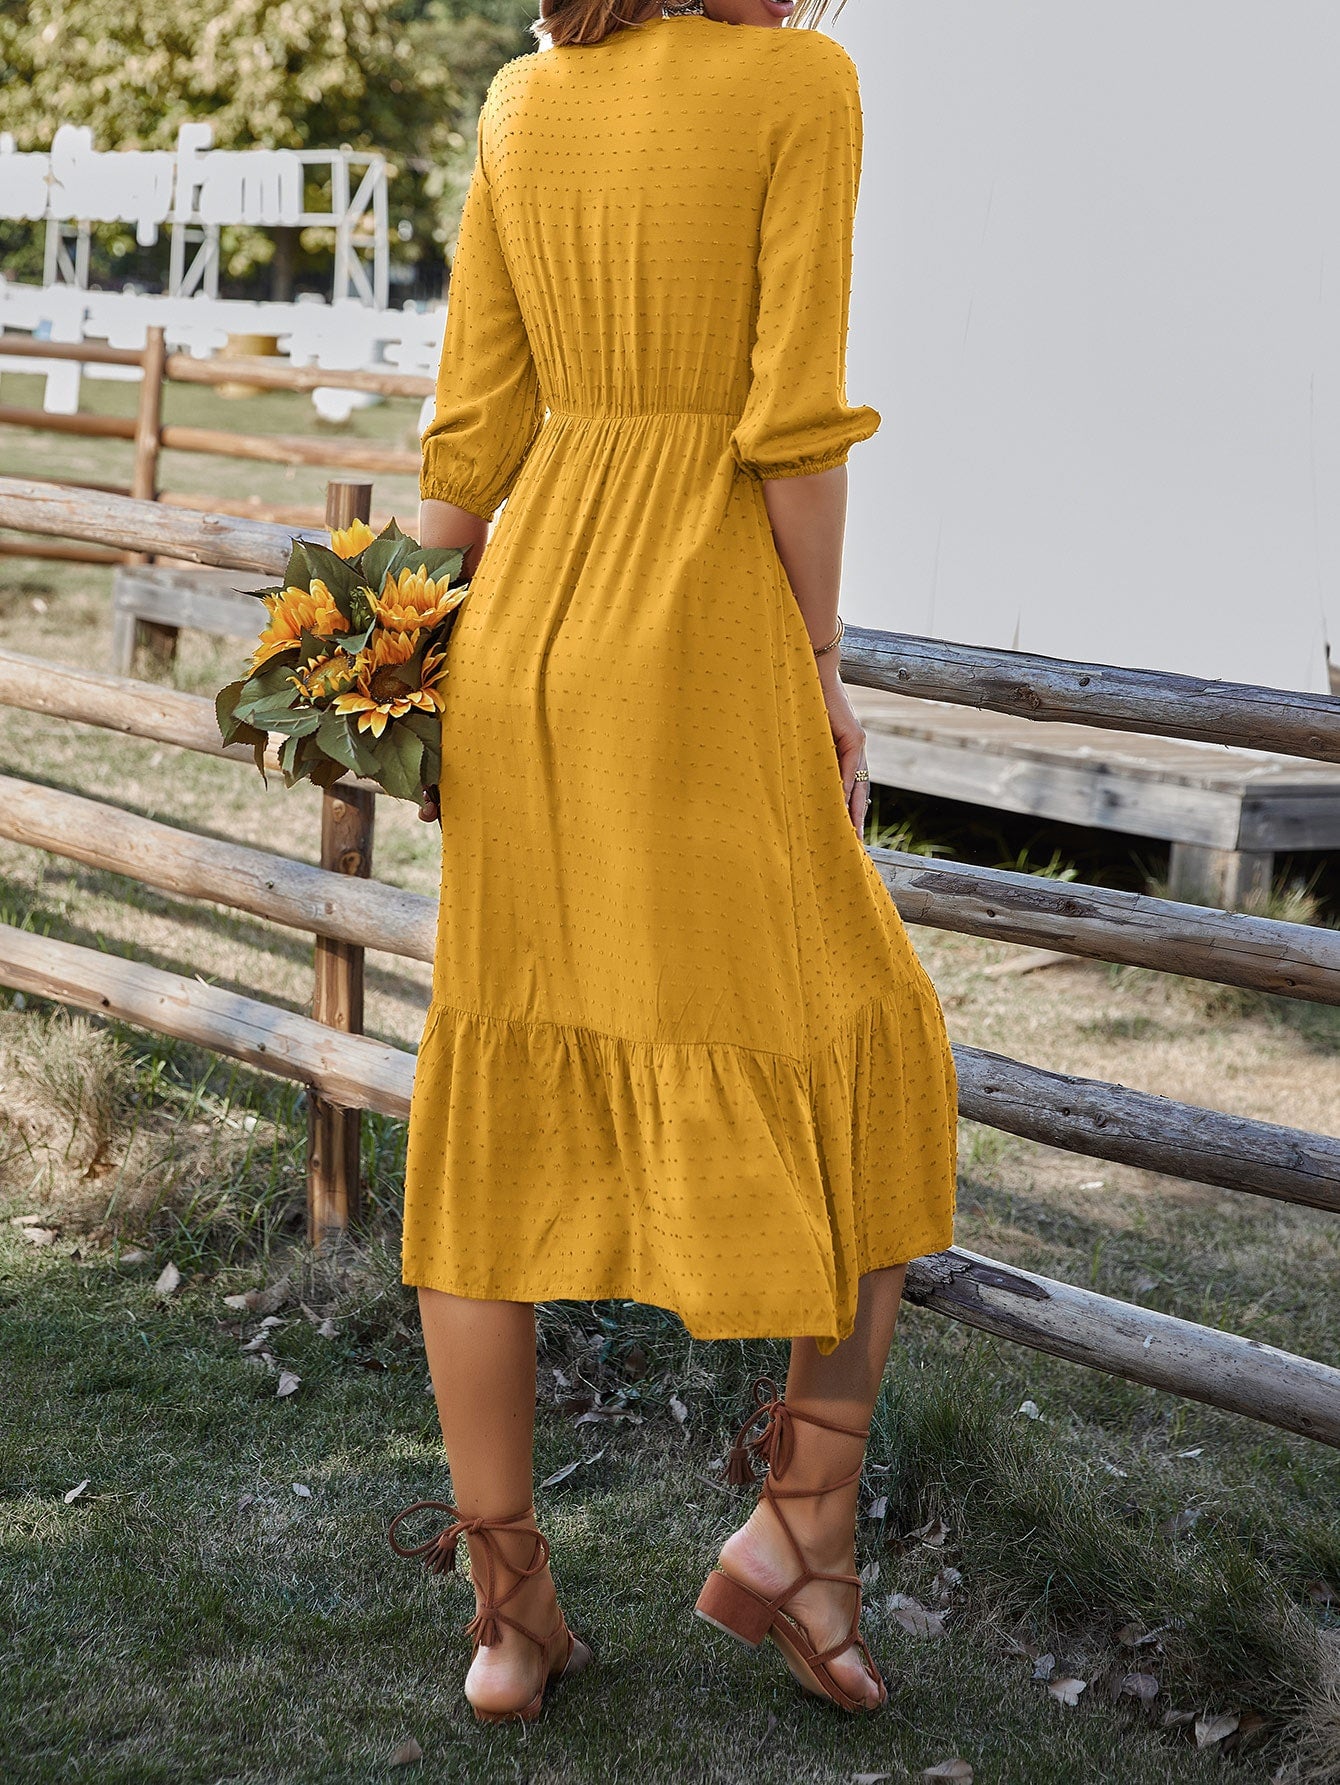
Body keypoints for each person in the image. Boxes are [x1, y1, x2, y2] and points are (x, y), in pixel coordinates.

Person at [387, 0, 958, 1724]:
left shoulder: (522, 97)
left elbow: (473, 430)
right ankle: (802, 1523)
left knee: (492, 1094)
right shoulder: (800, 82)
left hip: (526, 644)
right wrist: (823, 662)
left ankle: (510, 1620)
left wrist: (392, 653)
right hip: (703, 635)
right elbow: (792, 421)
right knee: (875, 1045)